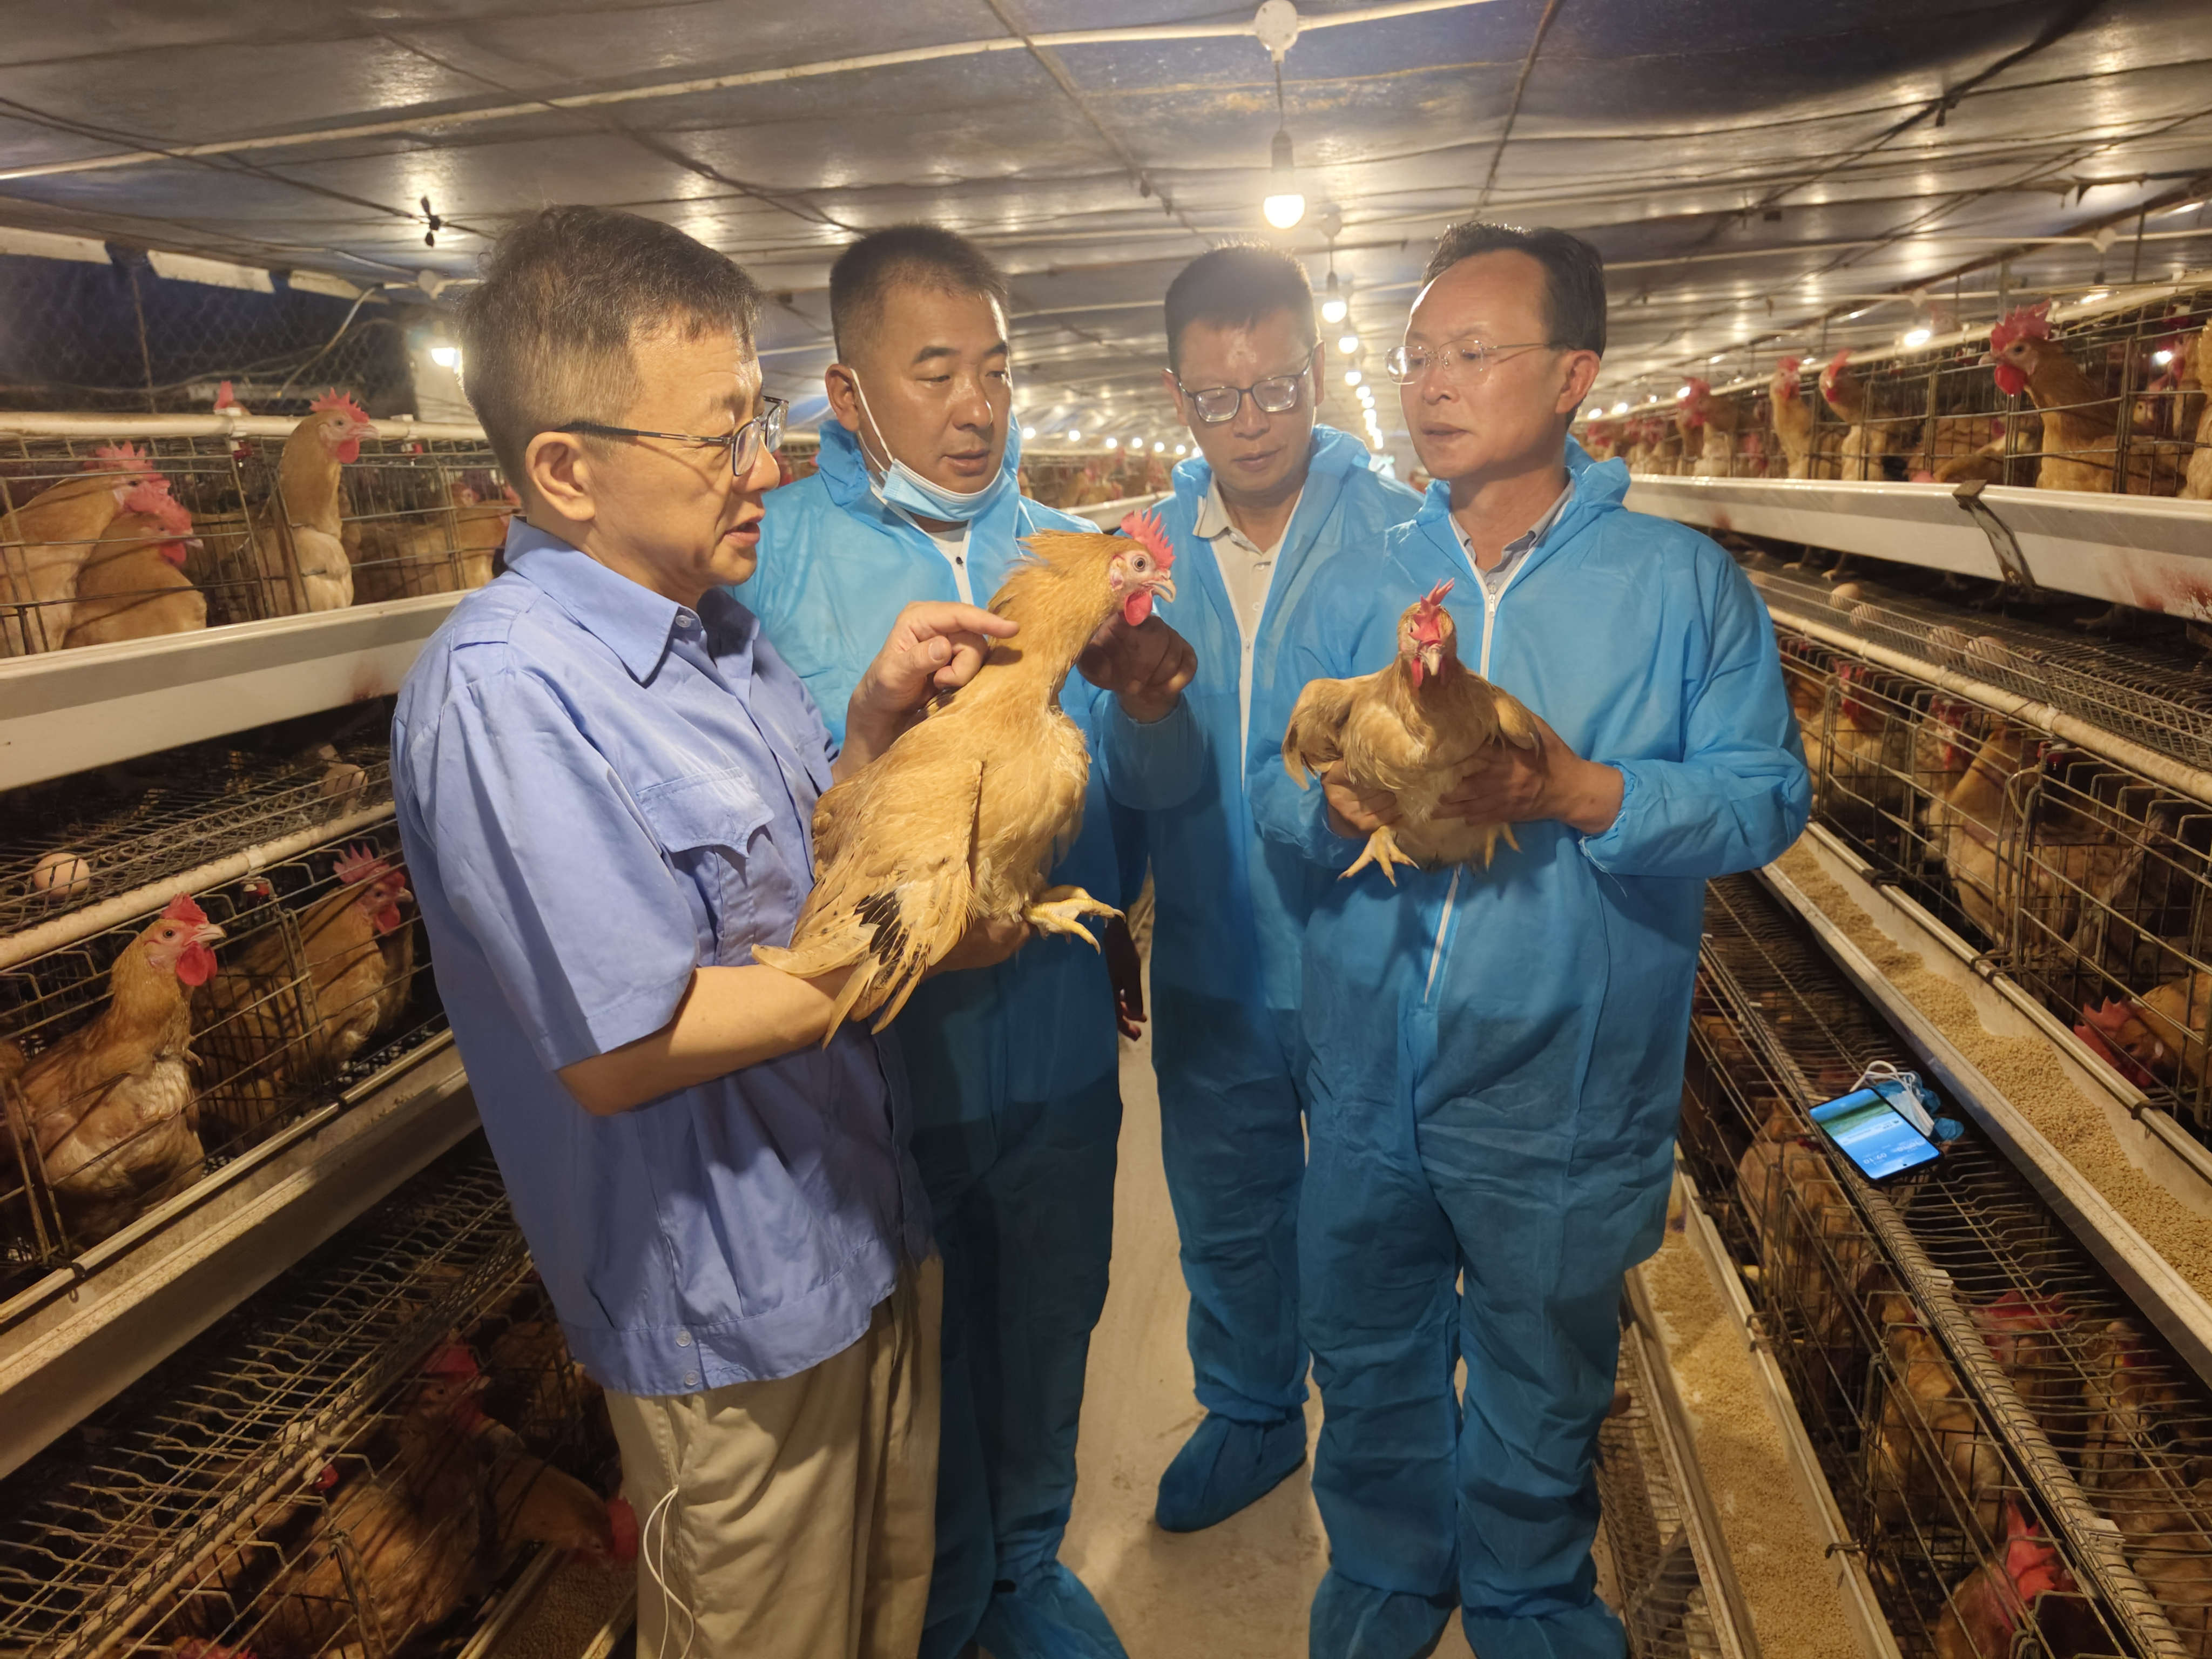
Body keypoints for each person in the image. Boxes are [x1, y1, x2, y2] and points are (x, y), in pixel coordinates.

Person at [392, 205, 1028, 1659]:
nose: (766, 466)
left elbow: (799, 884)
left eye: (761, 417)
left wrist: (872, 734)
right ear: (566, 470)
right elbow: (628, 1047)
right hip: (729, 1320)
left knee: (885, 1623)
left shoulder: (720, 635)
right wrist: (913, 938)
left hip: (860, 1230)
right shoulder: (507, 695)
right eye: (720, 437)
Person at [1251, 221, 1810, 1659]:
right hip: (1365, 1061)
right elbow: (1267, 782)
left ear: (1572, 377)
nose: (1430, 383)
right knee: (1365, 1346)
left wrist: (1582, 793)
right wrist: (1328, 801)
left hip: (1564, 1079)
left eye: (1471, 353)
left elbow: (1764, 795)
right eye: (1416, 357)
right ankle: (1386, 1569)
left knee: (1543, 1372)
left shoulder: (1678, 586)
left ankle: (1525, 1593)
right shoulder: (1348, 571)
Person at [746, 224, 1201, 1659]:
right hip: (886, 1069)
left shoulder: (1064, 555)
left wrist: (1150, 712)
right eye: (935, 372)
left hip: (1054, 1040)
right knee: (914, 1372)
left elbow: (1136, 807)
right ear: (847, 391)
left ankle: (1024, 1569)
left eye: (996, 370)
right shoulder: (768, 564)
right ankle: (937, 1614)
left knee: (1052, 1316)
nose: (976, 407)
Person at [1128, 242, 1419, 1533]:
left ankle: (1382, 1444)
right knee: (1226, 1205)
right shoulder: (1143, 555)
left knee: (1372, 1218)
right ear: (1176, 395)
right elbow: (1122, 765)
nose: (1249, 423)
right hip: (1207, 948)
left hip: (1364, 950)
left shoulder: (1397, 531)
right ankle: (1249, 1411)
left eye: (1277, 388)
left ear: (1317, 370)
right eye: (1215, 397)